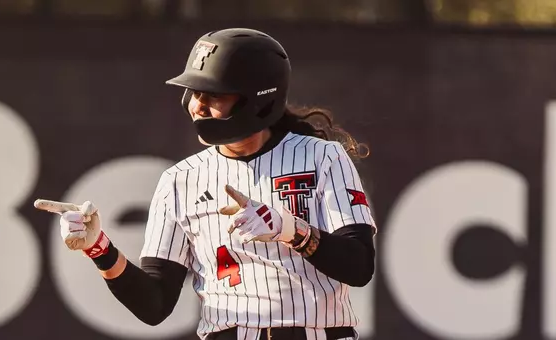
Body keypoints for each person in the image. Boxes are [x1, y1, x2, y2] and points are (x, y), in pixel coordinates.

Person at [34, 28, 376, 340]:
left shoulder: (321, 157)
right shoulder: (179, 180)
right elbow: (155, 304)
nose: (198, 106)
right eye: (195, 92)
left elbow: (359, 266)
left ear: (259, 98)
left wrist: (290, 229)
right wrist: (99, 249)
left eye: (215, 95)